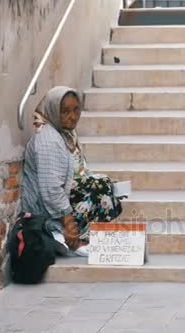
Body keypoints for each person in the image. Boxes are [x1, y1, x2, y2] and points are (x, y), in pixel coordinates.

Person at [19, 86, 122, 256]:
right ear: (53, 110)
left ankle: (87, 235)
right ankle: (70, 236)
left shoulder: (65, 134)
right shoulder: (48, 141)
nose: (72, 117)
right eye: (65, 111)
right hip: (44, 211)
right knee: (100, 186)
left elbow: (77, 170)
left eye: (76, 110)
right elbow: (51, 190)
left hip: (59, 198)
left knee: (104, 184)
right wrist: (67, 221)